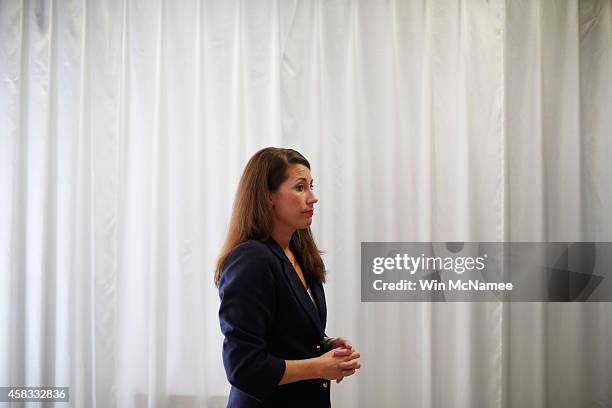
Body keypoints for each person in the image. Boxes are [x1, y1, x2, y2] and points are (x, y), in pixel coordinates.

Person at [215, 147, 361, 407]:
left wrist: (325, 345)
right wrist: (319, 366)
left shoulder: (298, 252)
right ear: (268, 196)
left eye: (311, 186)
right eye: (300, 187)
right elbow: (243, 367)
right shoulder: (250, 260)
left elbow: (282, 334)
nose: (313, 197)